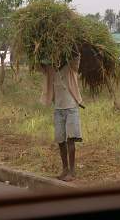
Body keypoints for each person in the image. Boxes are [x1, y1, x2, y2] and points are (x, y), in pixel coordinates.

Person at [39, 51, 83, 182]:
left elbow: (77, 57)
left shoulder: (71, 66)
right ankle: (64, 169)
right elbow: (38, 65)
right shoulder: (51, 69)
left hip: (71, 109)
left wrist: (73, 47)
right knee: (60, 141)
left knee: (70, 140)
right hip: (58, 109)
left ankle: (72, 170)